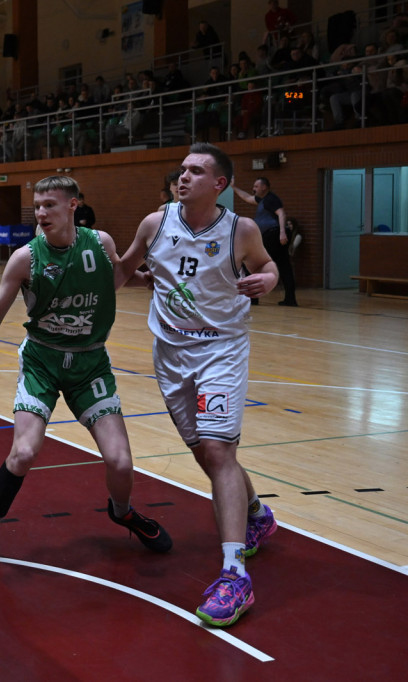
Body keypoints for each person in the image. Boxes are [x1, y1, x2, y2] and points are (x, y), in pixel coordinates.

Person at [0, 175, 172, 576]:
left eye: (49, 204)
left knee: (120, 463)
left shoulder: (99, 244)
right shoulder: (25, 259)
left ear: (73, 206)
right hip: (43, 362)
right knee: (24, 453)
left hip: (90, 364)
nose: (41, 212)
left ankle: (121, 513)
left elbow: (115, 279)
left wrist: (146, 280)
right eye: (37, 206)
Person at [115, 143, 280, 628]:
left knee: (219, 450)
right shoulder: (155, 222)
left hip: (220, 353)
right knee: (206, 454)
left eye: (196, 171)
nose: (183, 177)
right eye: (182, 170)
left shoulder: (240, 230)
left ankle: (235, 577)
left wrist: (267, 280)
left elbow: (267, 266)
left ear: (219, 185)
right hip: (170, 356)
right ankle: (256, 514)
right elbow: (124, 269)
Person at [233, 177, 297, 305]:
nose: (253, 189)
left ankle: (253, 298)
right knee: (284, 267)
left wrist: (282, 233)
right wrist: (234, 187)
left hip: (274, 235)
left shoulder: (271, 199)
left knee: (254, 263)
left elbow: (282, 213)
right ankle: (290, 299)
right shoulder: (263, 200)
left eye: (256, 186)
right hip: (271, 235)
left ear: (264, 187)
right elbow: (247, 198)